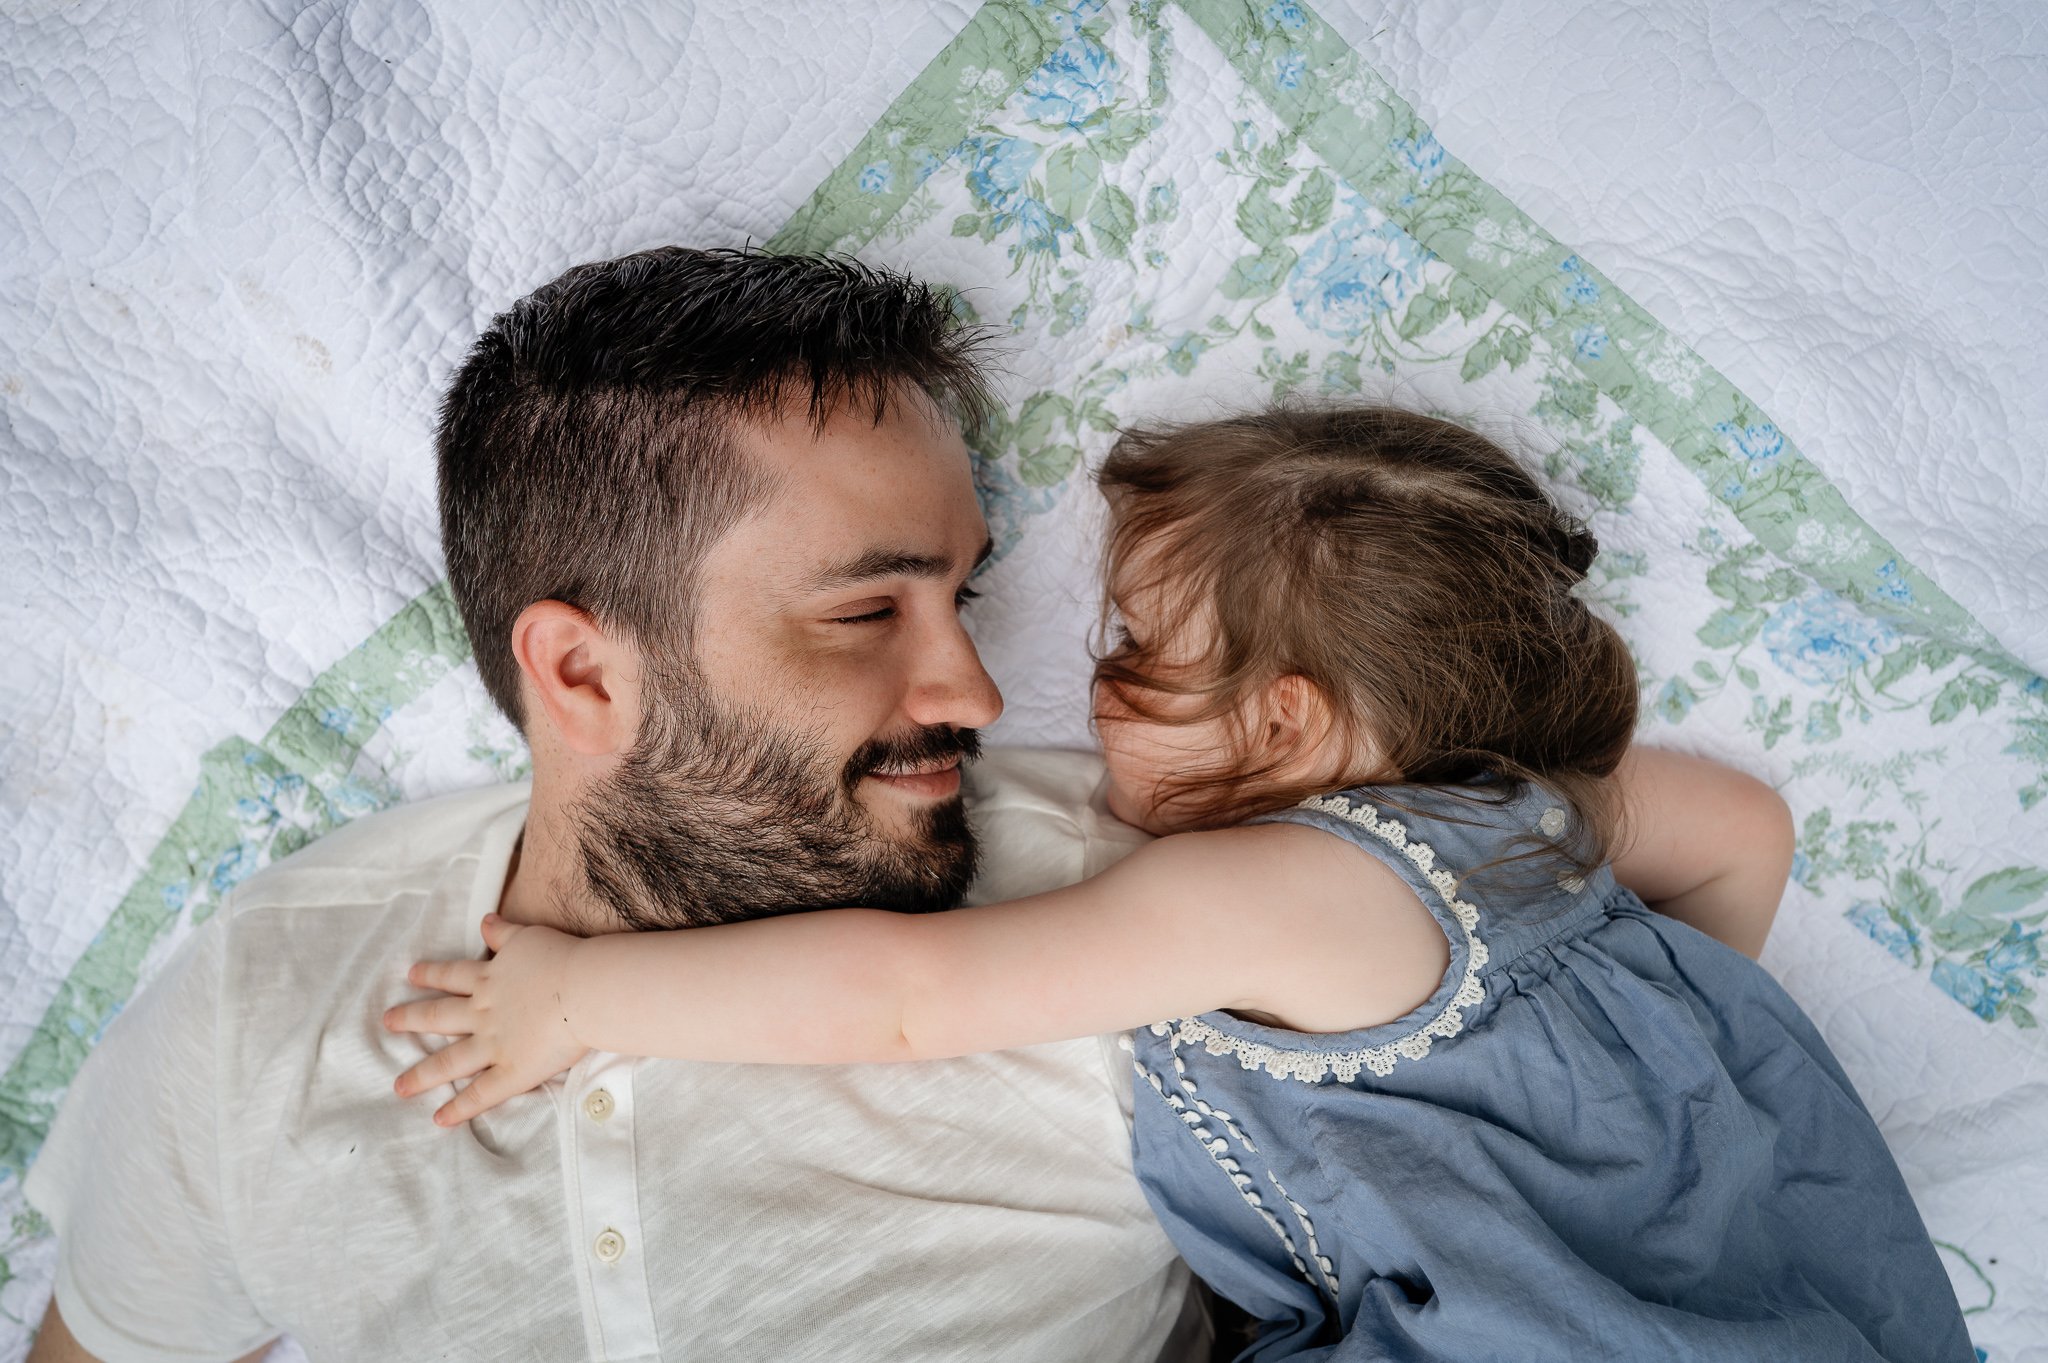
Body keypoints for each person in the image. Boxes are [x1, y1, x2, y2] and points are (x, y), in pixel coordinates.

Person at [389, 405, 1975, 1361]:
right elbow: (1748, 830)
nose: (1082, 687)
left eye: (1140, 652)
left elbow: (905, 998)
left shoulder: (1282, 889)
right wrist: (1642, 1125)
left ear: (1284, 717)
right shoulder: (1519, 832)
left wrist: (579, 992)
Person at [22, 248, 1196, 1361]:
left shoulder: (1140, 919)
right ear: (582, 675)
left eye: (959, 592)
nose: (974, 692)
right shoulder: (266, 1009)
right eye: (864, 614)